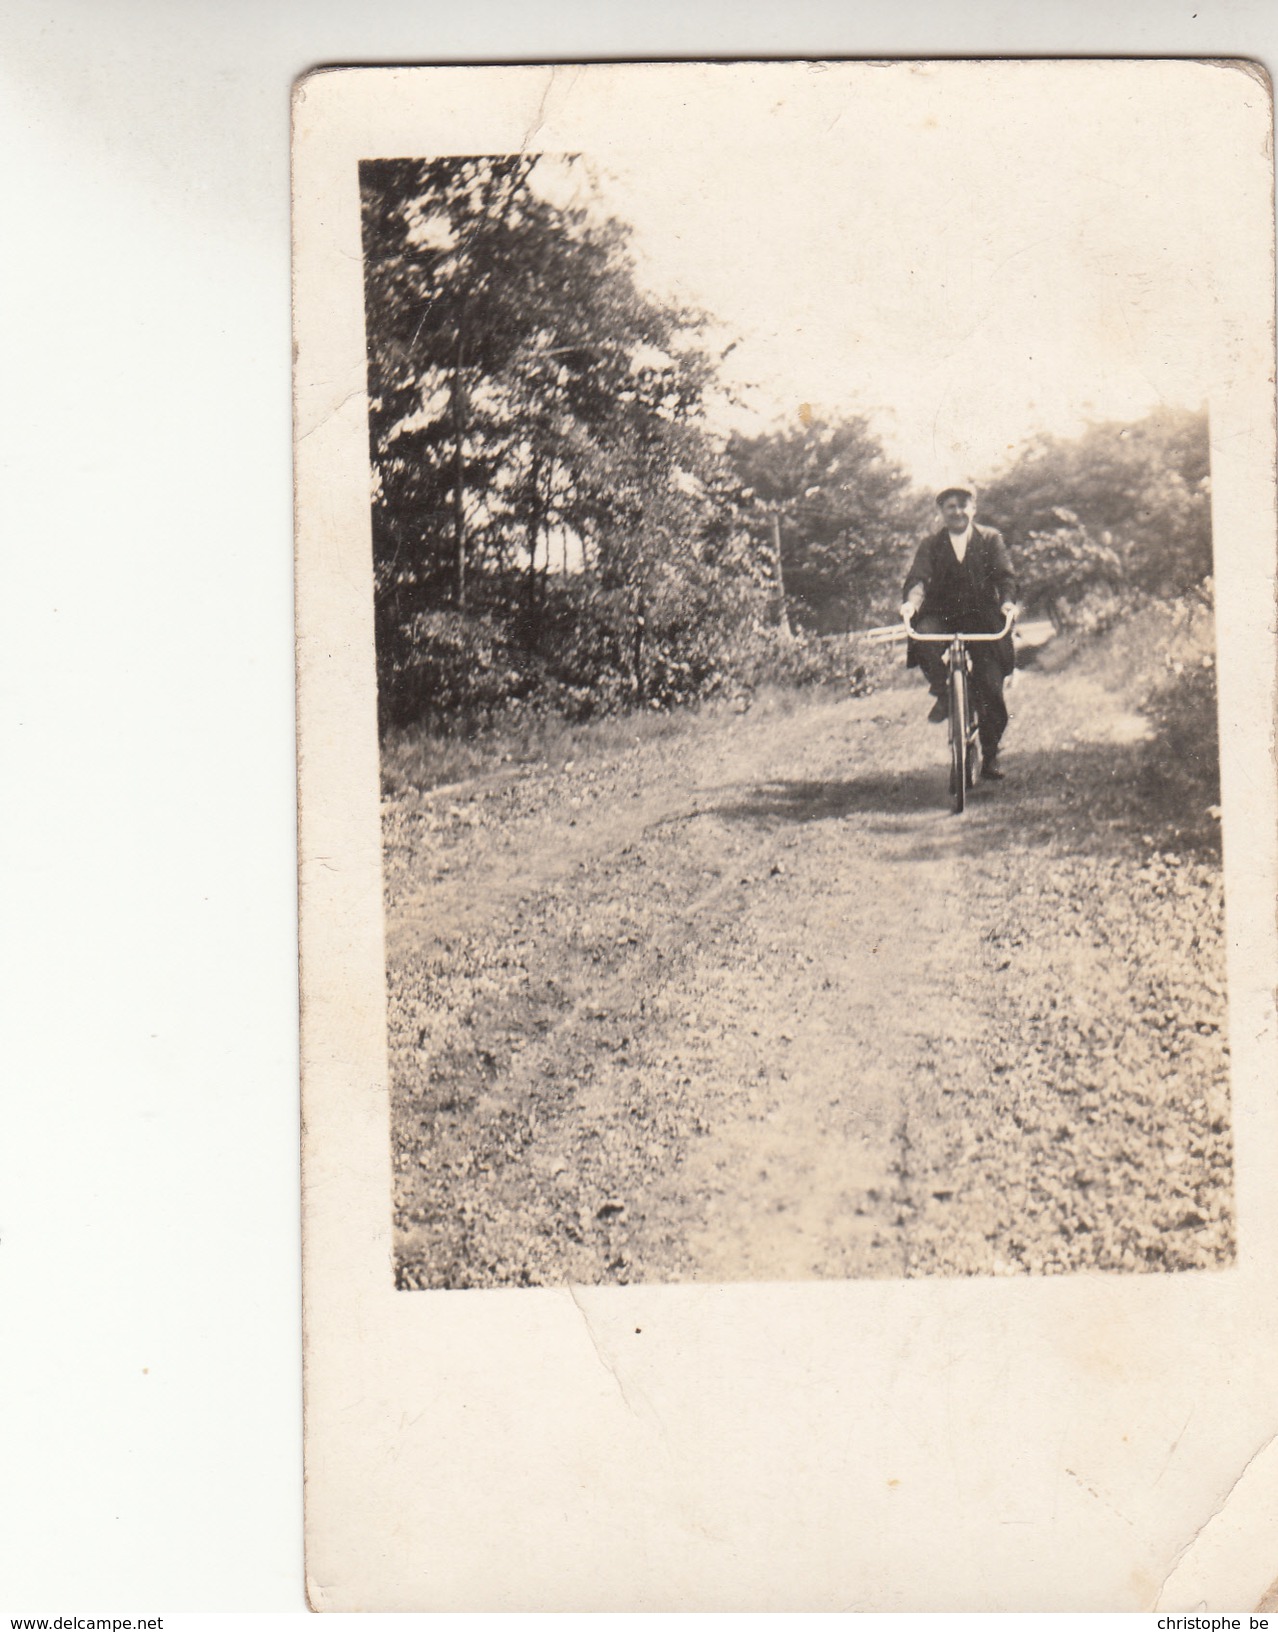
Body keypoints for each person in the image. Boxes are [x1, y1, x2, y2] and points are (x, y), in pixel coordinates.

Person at [899, 482, 1017, 780]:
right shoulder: (931, 544)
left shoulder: (990, 539)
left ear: (973, 509)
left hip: (982, 618)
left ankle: (989, 756)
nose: (957, 511)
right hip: (943, 615)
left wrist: (1007, 604)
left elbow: (1006, 577)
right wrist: (911, 605)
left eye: (963, 505)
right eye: (950, 506)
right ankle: (944, 690)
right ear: (941, 512)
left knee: (991, 691)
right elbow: (918, 579)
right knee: (923, 634)